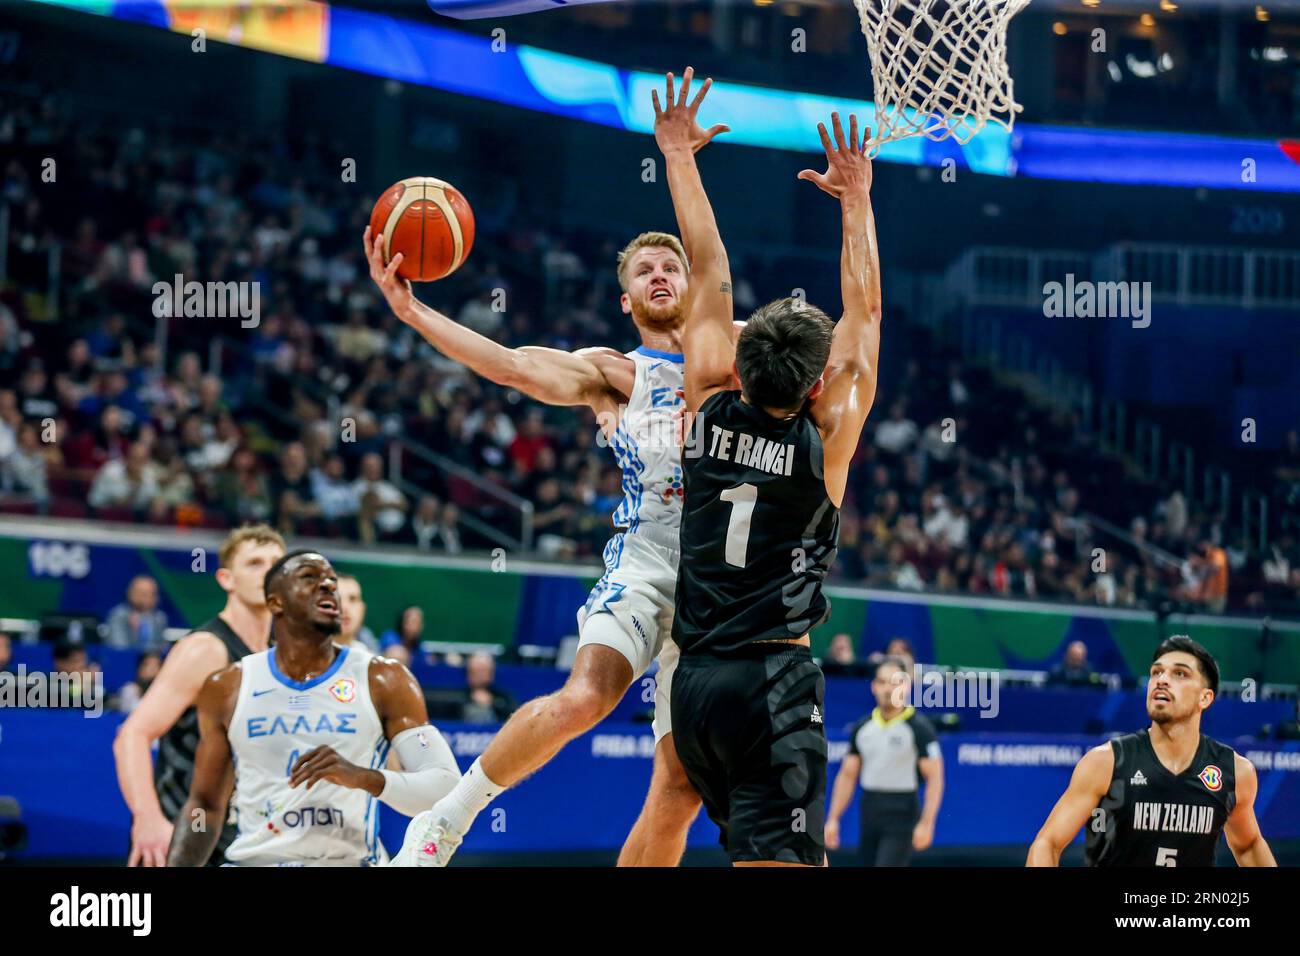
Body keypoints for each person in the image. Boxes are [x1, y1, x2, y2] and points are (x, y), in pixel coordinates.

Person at [368, 196, 703, 868]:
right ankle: (446, 820)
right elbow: (511, 365)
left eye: (671, 265)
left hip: (723, 588)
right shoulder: (612, 372)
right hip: (645, 566)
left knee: (681, 787)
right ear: (626, 300)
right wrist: (411, 311)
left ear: (696, 288)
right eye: (644, 270)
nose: (659, 274)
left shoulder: (745, 353)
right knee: (584, 699)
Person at [657, 70, 883, 866]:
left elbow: (707, 268)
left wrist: (679, 156)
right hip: (771, 686)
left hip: (693, 687)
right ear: (818, 386)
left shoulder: (705, 400)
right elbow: (867, 315)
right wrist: (855, 201)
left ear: (736, 363)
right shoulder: (829, 438)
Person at [167, 551, 460, 866]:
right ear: (275, 602)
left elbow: (446, 789)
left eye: (332, 582)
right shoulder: (228, 686)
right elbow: (205, 805)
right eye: (310, 577)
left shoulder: (385, 679)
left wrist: (362, 777)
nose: (327, 587)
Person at [112, 525, 286, 867]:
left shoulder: (276, 656)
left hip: (240, 838)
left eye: (275, 563)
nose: (267, 571)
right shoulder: (206, 649)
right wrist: (147, 819)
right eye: (253, 563)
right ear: (226, 579)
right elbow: (132, 735)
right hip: (182, 838)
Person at [1027, 636, 1276, 867]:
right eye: (1157, 672)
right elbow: (1047, 843)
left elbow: (1249, 846)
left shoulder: (1235, 771)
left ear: (1205, 698)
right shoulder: (1106, 761)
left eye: (1180, 673)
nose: (1162, 679)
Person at [825, 658, 944, 866]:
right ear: (873, 686)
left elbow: (935, 777)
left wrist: (927, 823)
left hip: (903, 811)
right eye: (882, 682)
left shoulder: (920, 729)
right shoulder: (862, 728)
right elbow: (847, 775)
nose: (888, 688)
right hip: (870, 808)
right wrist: (833, 818)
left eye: (895, 682)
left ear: (906, 686)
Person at [105, 576, 169, 652]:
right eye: (143, 593)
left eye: (152, 594)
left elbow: (163, 648)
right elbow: (119, 647)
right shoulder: (118, 615)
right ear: (130, 593)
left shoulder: (159, 618)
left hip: (155, 661)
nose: (147, 598)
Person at [459, 652, 517, 725]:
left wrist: (493, 703)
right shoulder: (459, 696)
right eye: (476, 671)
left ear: (492, 673)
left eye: (484, 671)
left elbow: (515, 718)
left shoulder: (504, 697)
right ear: (468, 674)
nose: (480, 675)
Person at [336, 573, 380, 654]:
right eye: (337, 598)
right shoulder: (306, 658)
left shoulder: (371, 662)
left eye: (353, 599)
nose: (344, 607)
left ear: (362, 610)